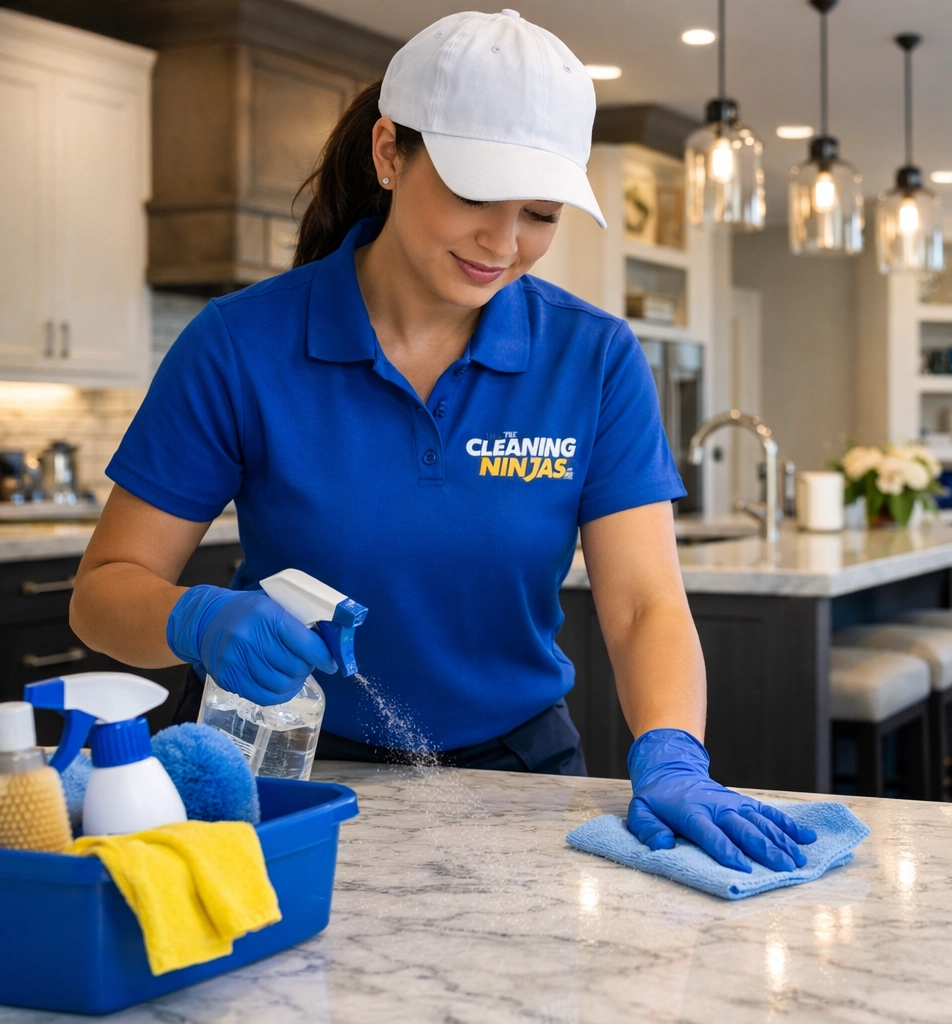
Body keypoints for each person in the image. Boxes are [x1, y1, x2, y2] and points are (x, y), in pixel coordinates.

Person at [68, 11, 813, 875]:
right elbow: (102, 595)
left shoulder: (594, 359)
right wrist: (193, 618)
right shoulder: (239, 344)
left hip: (517, 774)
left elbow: (645, 603)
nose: (502, 244)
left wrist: (675, 752)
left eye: (539, 213)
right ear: (390, 154)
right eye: (471, 196)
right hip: (280, 775)